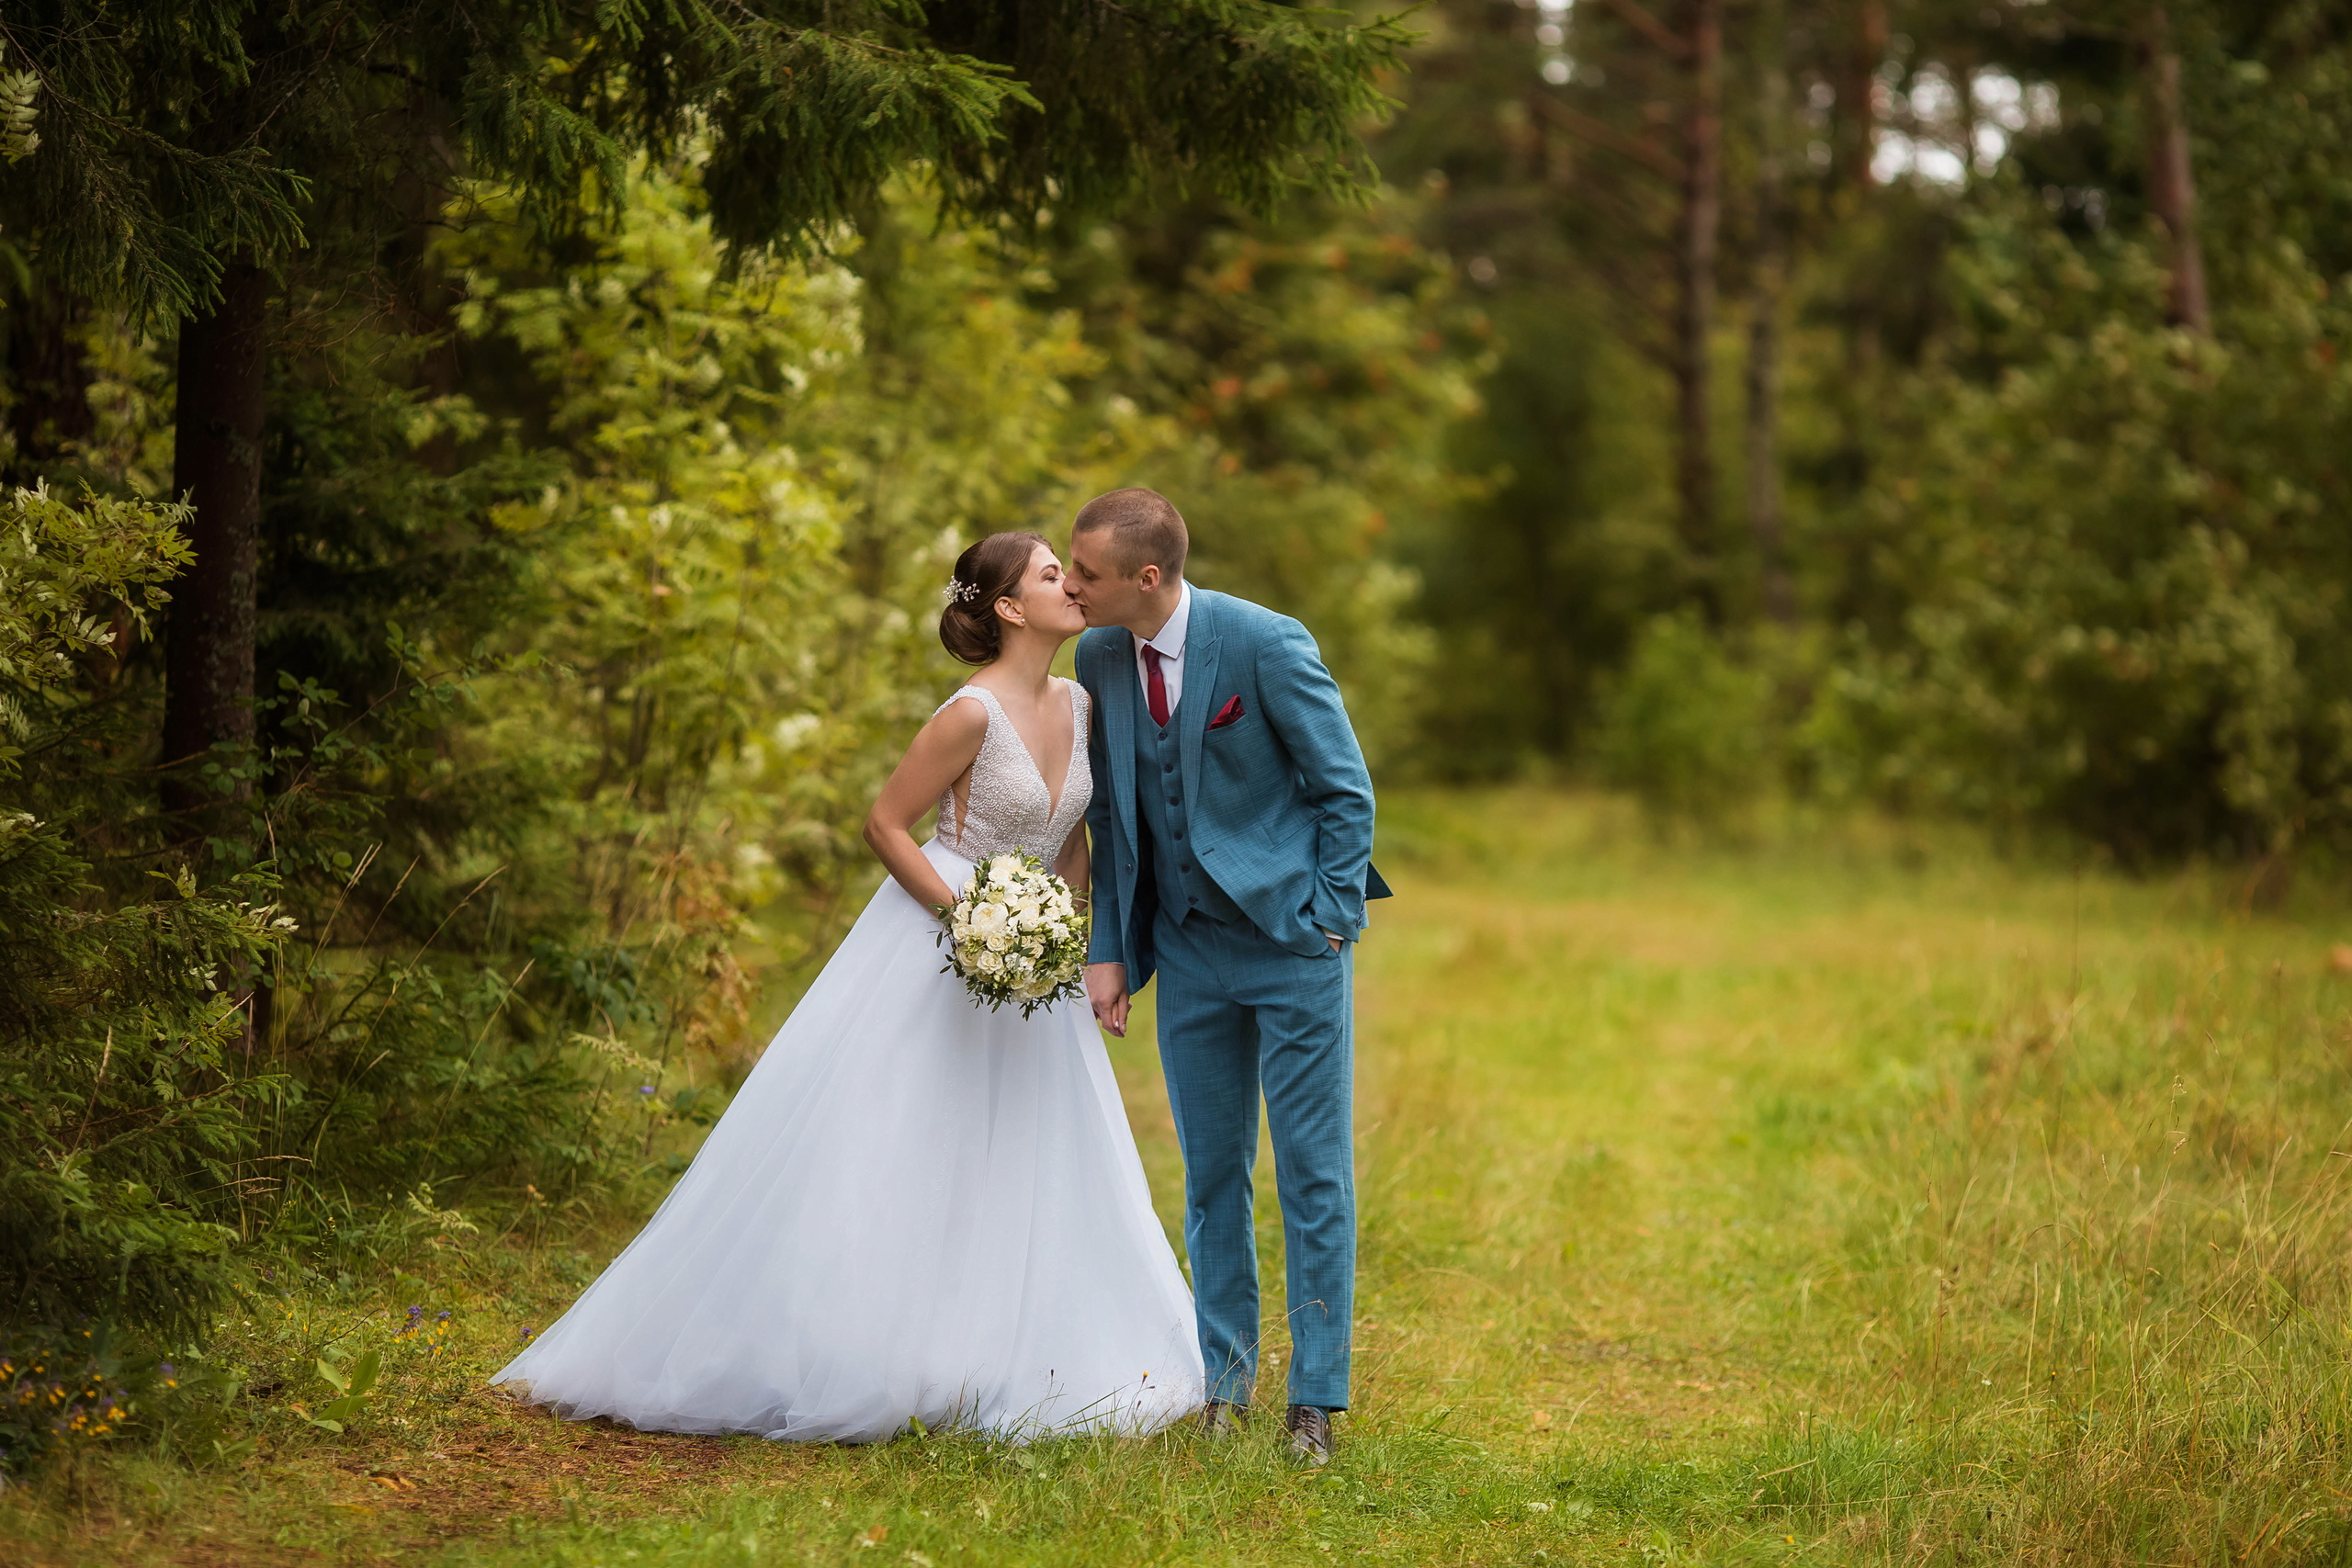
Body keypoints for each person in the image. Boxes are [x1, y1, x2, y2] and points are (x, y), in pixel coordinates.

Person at [492, 532, 1204, 1442]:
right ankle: (861, 1346)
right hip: (943, 934)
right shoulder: (969, 715)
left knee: (1033, 1143)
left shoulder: (1082, 703)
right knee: (908, 1135)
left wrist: (1067, 936)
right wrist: (968, 919)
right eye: (1051, 574)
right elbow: (886, 824)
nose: (1072, 584)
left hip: (1035, 955)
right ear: (1010, 608)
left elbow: (1071, 839)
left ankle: (1008, 1346)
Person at [1065, 488, 1388, 1467]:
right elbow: (1113, 817)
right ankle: (1225, 1387)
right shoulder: (1099, 656)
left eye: (1086, 572)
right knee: (1211, 1177)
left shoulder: (1264, 642)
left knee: (1312, 1173)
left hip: (1290, 945)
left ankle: (1314, 1403)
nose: (1070, 585)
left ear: (1147, 577)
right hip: (1187, 949)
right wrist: (1110, 948)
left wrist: (1328, 920)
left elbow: (1345, 789)